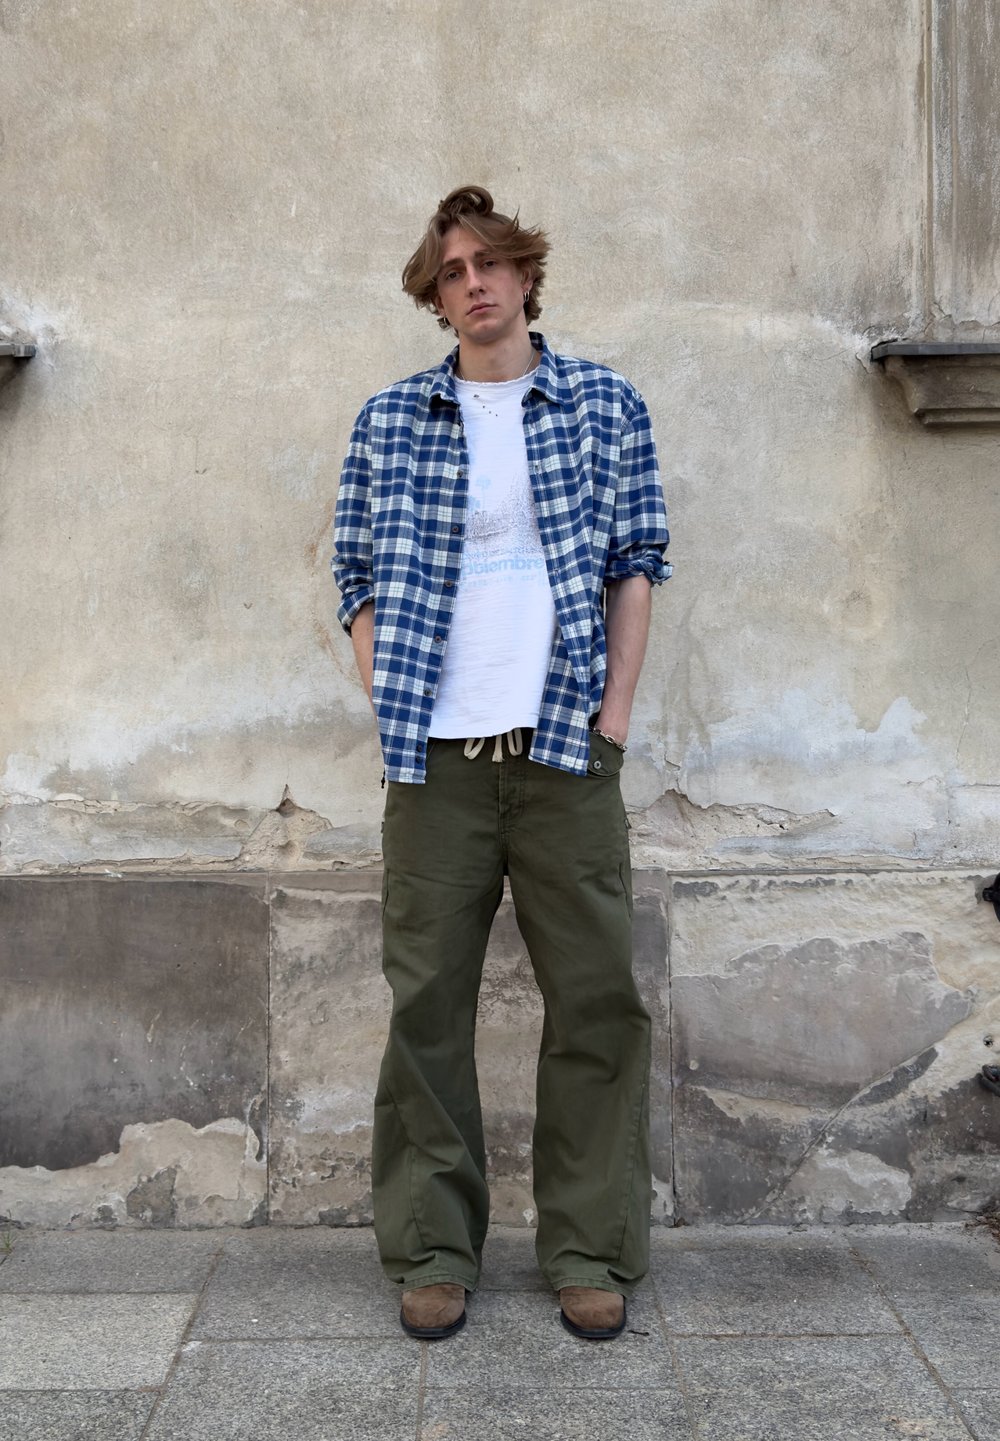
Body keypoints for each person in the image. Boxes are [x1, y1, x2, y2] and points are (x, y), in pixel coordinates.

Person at [332, 185, 671, 1342]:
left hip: (567, 749)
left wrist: (612, 716)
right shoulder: (390, 420)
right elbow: (356, 577)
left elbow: (635, 562)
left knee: (597, 1001)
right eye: (451, 271)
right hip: (437, 763)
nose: (472, 283)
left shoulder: (604, 405)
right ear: (435, 298)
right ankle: (433, 1248)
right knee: (426, 1005)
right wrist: (388, 698)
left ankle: (588, 1247)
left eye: (489, 263)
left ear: (526, 275)